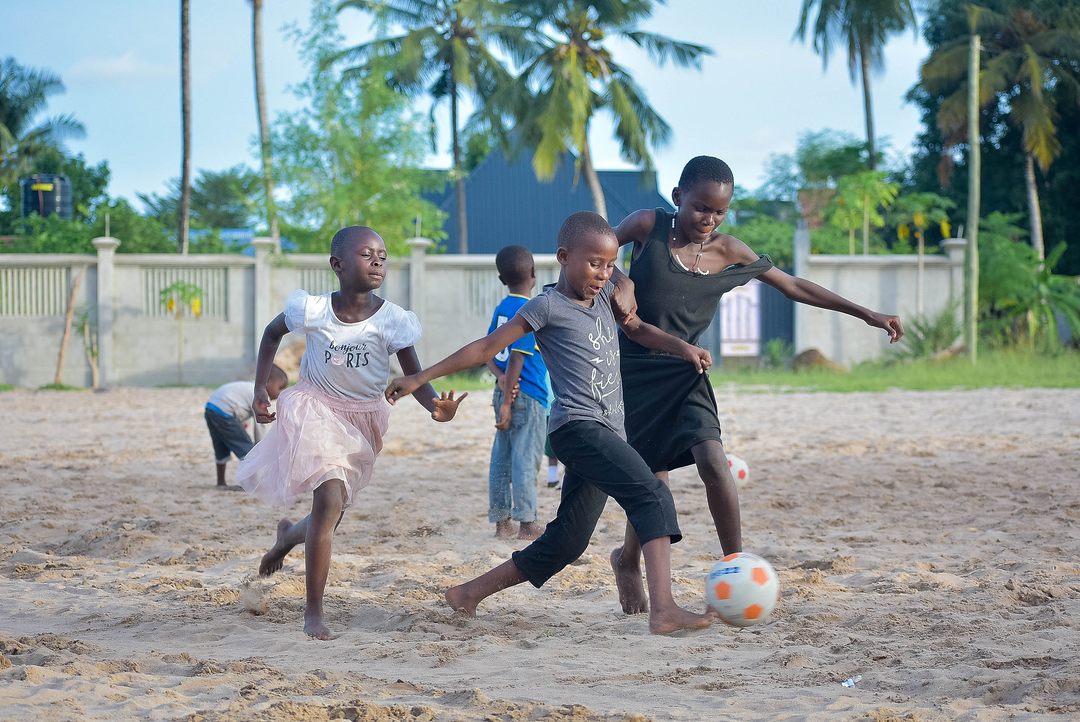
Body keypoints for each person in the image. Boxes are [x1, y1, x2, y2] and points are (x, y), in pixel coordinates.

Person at [386, 211, 717, 635]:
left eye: (610, 265)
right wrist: (419, 378)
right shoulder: (546, 306)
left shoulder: (604, 295)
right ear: (563, 257)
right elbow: (486, 347)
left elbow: (636, 328)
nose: (604, 274)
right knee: (653, 495)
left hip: (608, 432)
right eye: (594, 264)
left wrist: (682, 348)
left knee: (567, 542)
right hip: (577, 428)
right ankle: (664, 609)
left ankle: (468, 593)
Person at [607, 155, 905, 615]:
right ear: (678, 197)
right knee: (654, 483)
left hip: (686, 371)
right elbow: (598, 250)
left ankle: (736, 566)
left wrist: (866, 313)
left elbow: (794, 286)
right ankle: (628, 561)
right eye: (700, 207)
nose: (709, 219)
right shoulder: (648, 225)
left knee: (713, 461)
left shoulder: (730, 251)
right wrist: (620, 277)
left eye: (720, 211)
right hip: (637, 369)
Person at [237, 226, 466, 640]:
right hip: (315, 407)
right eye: (366, 254)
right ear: (337, 264)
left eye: (382, 255)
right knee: (328, 499)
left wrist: (437, 407)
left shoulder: (393, 320)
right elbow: (272, 334)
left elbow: (414, 376)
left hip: (363, 419)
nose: (378, 260)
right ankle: (313, 613)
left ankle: (288, 537)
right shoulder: (313, 310)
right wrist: (258, 389)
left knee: (332, 512)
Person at [482, 245, 549, 540]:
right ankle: (527, 523)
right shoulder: (530, 310)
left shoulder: (501, 309)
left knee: (501, 458)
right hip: (527, 395)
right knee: (525, 460)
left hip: (503, 392)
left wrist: (500, 381)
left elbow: (487, 351)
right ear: (533, 275)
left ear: (502, 279)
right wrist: (509, 401)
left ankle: (501, 522)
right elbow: (518, 359)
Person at [203, 365, 287, 488]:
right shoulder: (261, 397)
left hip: (211, 407)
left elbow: (238, 403)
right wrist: (260, 447)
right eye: (280, 388)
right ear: (267, 381)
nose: (280, 393)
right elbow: (260, 426)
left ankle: (221, 482)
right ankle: (251, 485)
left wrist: (240, 424)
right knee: (247, 450)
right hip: (224, 413)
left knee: (220, 445)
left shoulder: (249, 386)